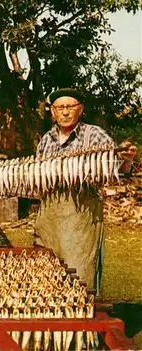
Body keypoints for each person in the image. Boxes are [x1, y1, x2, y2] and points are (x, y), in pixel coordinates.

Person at [34, 88, 137, 293]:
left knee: (79, 276)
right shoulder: (46, 139)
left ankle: (81, 321)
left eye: (70, 107)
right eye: (59, 107)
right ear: (52, 112)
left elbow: (115, 168)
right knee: (46, 274)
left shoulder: (94, 134)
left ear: (80, 110)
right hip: (49, 218)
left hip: (82, 217)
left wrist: (127, 160)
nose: (65, 112)